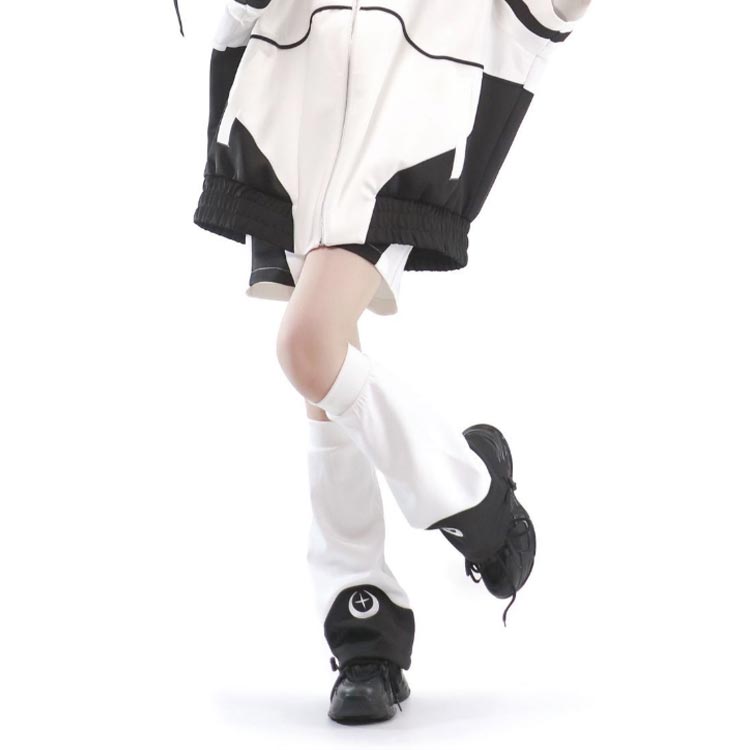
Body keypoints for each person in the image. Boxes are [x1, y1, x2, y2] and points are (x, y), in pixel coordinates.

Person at [182, 0, 591, 725]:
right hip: (287, 122)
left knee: (307, 347)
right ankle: (363, 630)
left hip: (398, 145)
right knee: (327, 367)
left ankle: (474, 502)